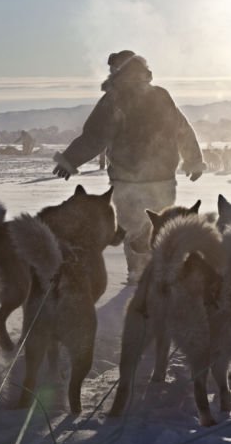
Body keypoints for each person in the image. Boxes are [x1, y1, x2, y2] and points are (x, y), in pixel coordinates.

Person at [52, 50, 205, 282]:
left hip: (129, 178)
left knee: (132, 227)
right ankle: (158, 273)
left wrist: (70, 160)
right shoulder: (159, 95)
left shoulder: (115, 99)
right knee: (158, 227)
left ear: (121, 70)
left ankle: (139, 274)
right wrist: (193, 160)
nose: (111, 72)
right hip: (160, 177)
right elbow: (182, 129)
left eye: (114, 68)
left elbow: (95, 136)